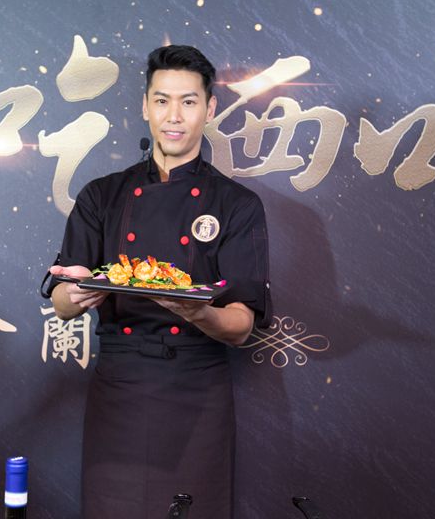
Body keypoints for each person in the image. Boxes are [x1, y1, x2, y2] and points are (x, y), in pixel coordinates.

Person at [44, 44, 272, 519]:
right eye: (162, 100)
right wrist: (79, 291)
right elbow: (62, 303)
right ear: (145, 105)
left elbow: (241, 326)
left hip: (197, 389)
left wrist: (200, 313)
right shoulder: (101, 196)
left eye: (189, 101)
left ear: (209, 108)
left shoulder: (237, 204)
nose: (174, 116)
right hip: (120, 387)